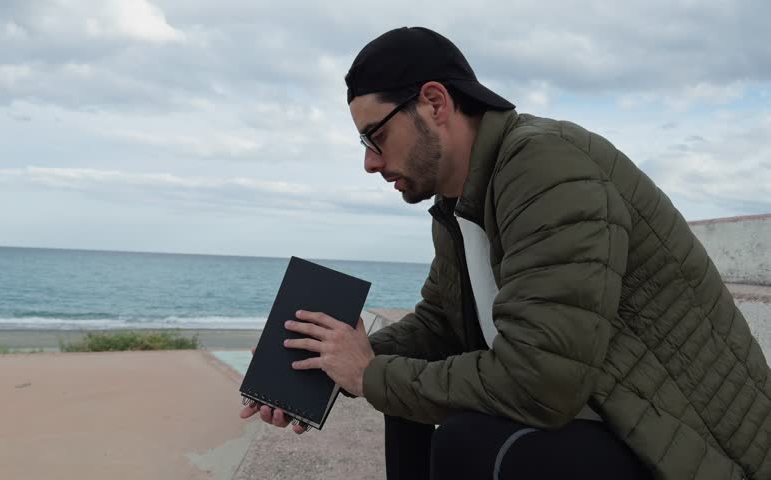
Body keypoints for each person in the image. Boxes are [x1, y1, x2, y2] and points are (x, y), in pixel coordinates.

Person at [240, 26, 770, 480]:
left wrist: (369, 374)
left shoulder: (546, 167)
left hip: (683, 447)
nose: (370, 163)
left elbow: (543, 380)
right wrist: (332, 362)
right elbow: (443, 325)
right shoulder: (461, 203)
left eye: (374, 137)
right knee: (403, 397)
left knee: (466, 439)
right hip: (604, 413)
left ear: (435, 102)